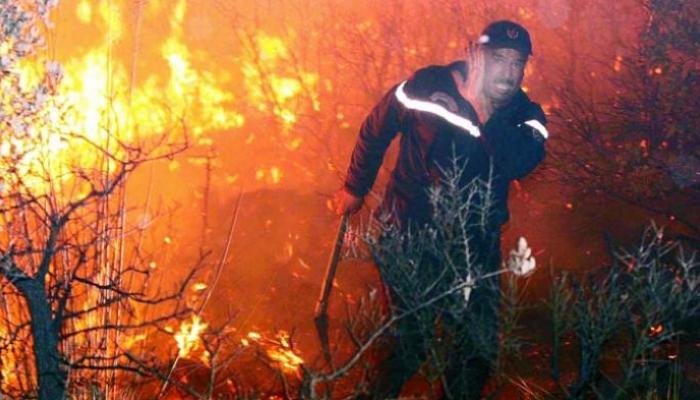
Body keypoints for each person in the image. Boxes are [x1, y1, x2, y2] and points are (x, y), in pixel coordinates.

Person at [335, 20, 549, 399]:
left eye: (517, 63)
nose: (509, 72)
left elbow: (519, 162)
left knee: (477, 348)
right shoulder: (427, 86)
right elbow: (377, 128)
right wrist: (354, 186)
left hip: (475, 244)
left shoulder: (527, 115)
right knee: (408, 342)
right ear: (477, 55)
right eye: (499, 59)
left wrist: (479, 110)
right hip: (409, 233)